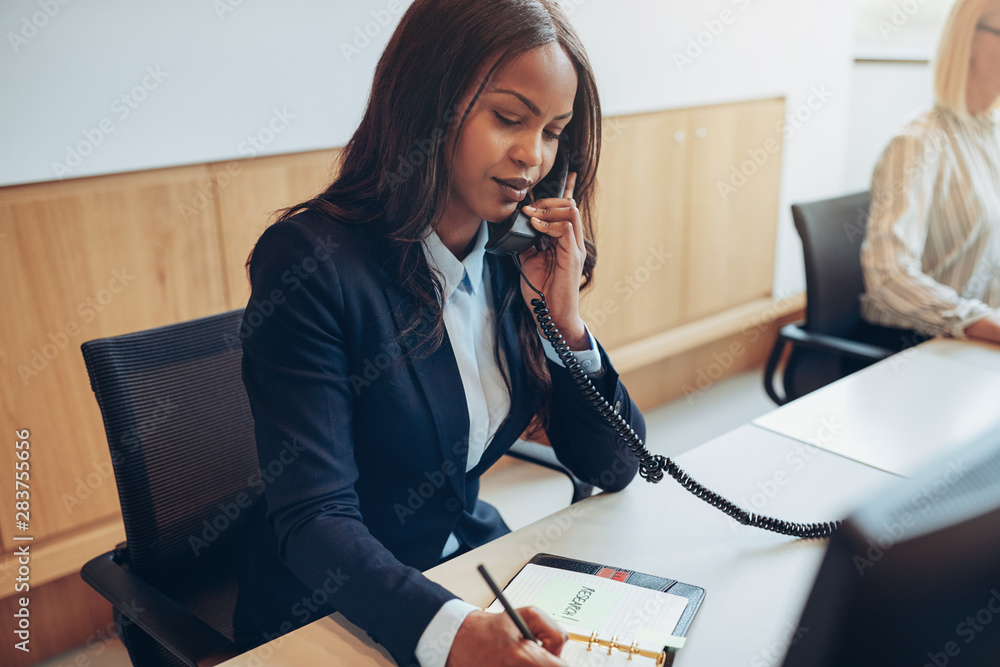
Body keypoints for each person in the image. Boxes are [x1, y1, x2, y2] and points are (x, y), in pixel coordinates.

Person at [231, 1, 644, 666]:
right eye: (508, 118)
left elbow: (614, 465)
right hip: (333, 613)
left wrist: (564, 324)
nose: (532, 157)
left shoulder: (515, 256)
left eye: (553, 131)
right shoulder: (312, 264)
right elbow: (315, 521)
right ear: (426, 104)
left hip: (469, 567)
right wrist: (454, 633)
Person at [859, 0, 1000, 351]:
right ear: (971, 41)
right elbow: (889, 275)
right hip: (917, 344)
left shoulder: (991, 133)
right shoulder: (918, 143)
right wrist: (980, 321)